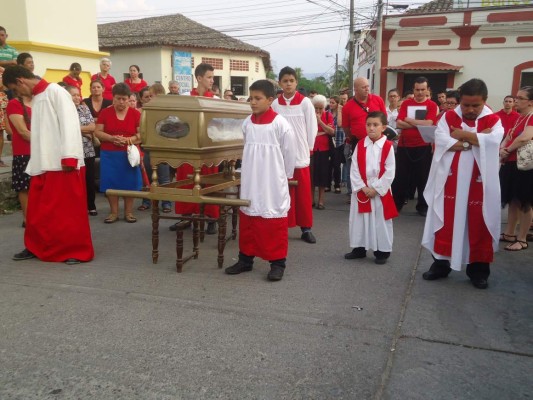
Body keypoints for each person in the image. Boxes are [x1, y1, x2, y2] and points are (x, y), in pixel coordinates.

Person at [3, 65, 94, 264]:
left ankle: (75, 250)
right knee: (37, 213)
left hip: (63, 163)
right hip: (42, 162)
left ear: (20, 81)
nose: (18, 95)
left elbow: (70, 124)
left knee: (68, 213)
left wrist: (69, 157)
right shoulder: (37, 97)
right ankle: (36, 246)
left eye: (16, 90)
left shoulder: (56, 92)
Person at [422, 78, 504, 289]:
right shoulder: (448, 117)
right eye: (465, 104)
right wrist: (476, 139)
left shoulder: (493, 120)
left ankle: (478, 271)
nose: (469, 109)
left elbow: (494, 141)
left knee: (479, 223)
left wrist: (461, 136)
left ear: (484, 101)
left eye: (475, 105)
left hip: (480, 185)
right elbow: (441, 140)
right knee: (446, 221)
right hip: (450, 182)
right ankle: (440, 265)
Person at [225, 79, 296, 281]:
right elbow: (247, 149)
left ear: (270, 100)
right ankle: (245, 259)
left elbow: (289, 154)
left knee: (272, 218)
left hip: (272, 180)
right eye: (251, 98)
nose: (253, 102)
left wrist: (284, 176)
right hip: (251, 179)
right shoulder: (247, 122)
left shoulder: (280, 124)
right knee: (249, 217)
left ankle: (277, 262)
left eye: (258, 98)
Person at [171, 63, 219, 234]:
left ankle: (211, 218)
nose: (212, 81)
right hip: (188, 146)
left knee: (209, 182)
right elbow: (176, 120)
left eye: (213, 77)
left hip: (207, 147)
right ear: (199, 78)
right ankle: (186, 216)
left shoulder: (214, 100)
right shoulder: (184, 97)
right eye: (209, 77)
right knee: (185, 181)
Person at [272, 66, 318, 244]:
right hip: (282, 156)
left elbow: (311, 127)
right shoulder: (276, 104)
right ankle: (282, 224)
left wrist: (309, 149)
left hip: (300, 154)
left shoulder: (305, 102)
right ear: (280, 83)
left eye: (291, 80)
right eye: (285, 81)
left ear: (296, 82)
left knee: (303, 194)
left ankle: (306, 228)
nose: (288, 84)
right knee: (283, 192)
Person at [345, 111, 397, 264]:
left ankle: (382, 251)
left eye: (375, 125)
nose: (371, 128)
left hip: (379, 191)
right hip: (362, 189)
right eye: (368, 125)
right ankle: (359, 248)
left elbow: (390, 170)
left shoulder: (387, 146)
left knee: (380, 221)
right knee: (359, 219)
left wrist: (375, 188)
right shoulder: (361, 144)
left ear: (384, 127)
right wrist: (362, 187)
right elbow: (354, 168)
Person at [94, 83, 142, 224]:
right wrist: (111, 138)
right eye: (118, 99)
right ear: (113, 98)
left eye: (124, 99)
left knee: (129, 183)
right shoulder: (105, 113)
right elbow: (97, 132)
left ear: (129, 99)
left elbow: (141, 135)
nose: (121, 102)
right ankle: (113, 212)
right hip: (109, 153)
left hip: (129, 154)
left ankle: (128, 212)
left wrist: (128, 140)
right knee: (111, 183)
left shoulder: (135, 114)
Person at [393, 76, 438, 216]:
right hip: (404, 146)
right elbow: (398, 123)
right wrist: (420, 123)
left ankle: (423, 206)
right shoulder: (406, 104)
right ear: (413, 89)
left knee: (423, 178)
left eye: (422, 89)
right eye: (417, 90)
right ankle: (396, 204)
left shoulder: (431, 105)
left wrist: (409, 120)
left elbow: (430, 123)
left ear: (427, 90)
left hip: (423, 147)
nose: (419, 93)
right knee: (400, 177)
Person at [499, 86, 533, 251]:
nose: (516, 100)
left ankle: (522, 238)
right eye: (516, 97)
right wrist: (502, 149)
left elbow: (525, 137)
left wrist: (507, 149)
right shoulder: (520, 117)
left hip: (525, 166)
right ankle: (510, 233)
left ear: (531, 102)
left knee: (525, 202)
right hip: (512, 163)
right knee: (513, 200)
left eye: (520, 98)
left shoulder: (531, 117)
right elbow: (510, 135)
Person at [342, 77, 387, 199]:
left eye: (368, 86)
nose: (367, 89)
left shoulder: (378, 100)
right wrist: (353, 137)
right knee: (358, 169)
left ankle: (377, 190)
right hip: (358, 143)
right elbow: (346, 127)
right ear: (355, 89)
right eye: (363, 87)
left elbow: (384, 120)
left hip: (378, 143)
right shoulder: (348, 107)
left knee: (378, 167)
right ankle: (358, 192)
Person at [137, 83, 172, 213]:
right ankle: (146, 200)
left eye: (151, 96)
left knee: (164, 177)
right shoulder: (144, 111)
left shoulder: (166, 111)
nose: (149, 98)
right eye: (147, 96)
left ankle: (166, 202)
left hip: (162, 147)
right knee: (147, 176)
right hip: (147, 147)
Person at [67, 85, 97, 216]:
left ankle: (91, 205)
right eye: (74, 95)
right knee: (73, 181)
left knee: (89, 179)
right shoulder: (63, 111)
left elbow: (92, 127)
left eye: (78, 95)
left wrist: (76, 129)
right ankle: (76, 207)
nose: (77, 97)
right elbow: (65, 128)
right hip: (71, 150)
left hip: (87, 150)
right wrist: (83, 130)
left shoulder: (84, 108)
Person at [7, 91, 31, 227]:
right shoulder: (14, 104)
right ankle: (27, 218)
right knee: (24, 187)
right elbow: (22, 132)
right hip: (24, 151)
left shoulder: (38, 103)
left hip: (40, 151)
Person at [311, 94, 334, 209]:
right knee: (311, 175)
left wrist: (320, 122)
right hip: (311, 149)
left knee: (322, 176)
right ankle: (311, 200)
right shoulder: (309, 116)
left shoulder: (328, 115)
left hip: (324, 149)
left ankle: (321, 201)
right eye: (316, 108)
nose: (318, 110)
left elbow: (331, 131)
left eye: (320, 108)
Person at [328, 96, 344, 193]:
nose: (331, 104)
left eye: (333, 102)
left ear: (338, 104)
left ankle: (337, 184)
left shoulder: (341, 113)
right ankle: (327, 184)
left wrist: (339, 111)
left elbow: (340, 124)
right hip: (329, 140)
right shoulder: (327, 113)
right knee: (328, 164)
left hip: (339, 141)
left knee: (337, 164)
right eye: (330, 102)